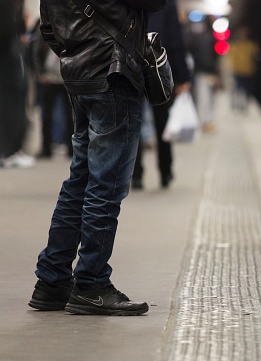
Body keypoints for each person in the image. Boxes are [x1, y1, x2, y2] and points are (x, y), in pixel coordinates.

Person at [28, 0, 166, 315]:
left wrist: (75, 57)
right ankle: (91, 284)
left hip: (80, 79)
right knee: (106, 185)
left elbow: (48, 27)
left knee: (81, 179)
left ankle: (52, 280)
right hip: (114, 76)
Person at [132, 0, 192, 190]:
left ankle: (136, 175)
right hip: (158, 67)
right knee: (163, 120)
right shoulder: (167, 4)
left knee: (134, 123)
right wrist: (182, 76)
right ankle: (165, 171)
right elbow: (175, 40)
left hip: (132, 65)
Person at [0, 0, 35, 169]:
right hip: (7, 58)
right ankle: (8, 150)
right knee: (10, 102)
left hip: (10, 55)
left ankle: (10, 149)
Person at [32, 36, 74, 158]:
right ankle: (46, 149)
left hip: (67, 78)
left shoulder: (70, 25)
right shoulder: (43, 28)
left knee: (71, 116)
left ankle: (72, 149)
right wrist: (41, 73)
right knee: (46, 115)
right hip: (48, 78)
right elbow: (36, 51)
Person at [186, 16, 221, 133]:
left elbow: (190, 51)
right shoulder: (212, 38)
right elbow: (216, 57)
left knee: (201, 97)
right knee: (208, 98)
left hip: (198, 71)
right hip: (209, 71)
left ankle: (201, 122)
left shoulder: (196, 37)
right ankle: (206, 122)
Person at [229, 26, 259, 112]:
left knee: (247, 89)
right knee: (236, 89)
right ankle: (235, 106)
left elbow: (255, 55)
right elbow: (230, 56)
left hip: (248, 71)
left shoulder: (251, 45)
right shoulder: (235, 45)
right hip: (237, 71)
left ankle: (245, 106)